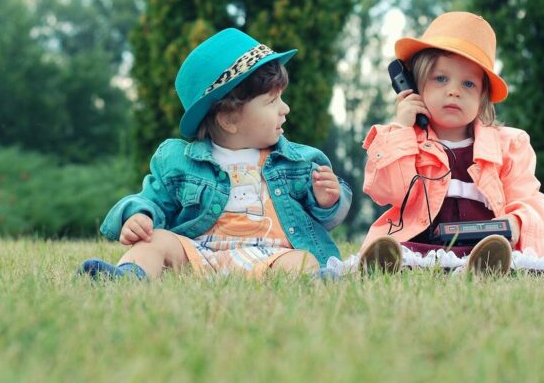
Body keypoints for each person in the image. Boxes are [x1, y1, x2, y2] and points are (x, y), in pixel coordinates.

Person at [79, 28, 351, 280]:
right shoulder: (180, 162)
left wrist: (326, 202)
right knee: (155, 241)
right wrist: (139, 216)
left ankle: (316, 281)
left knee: (302, 260)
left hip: (271, 257)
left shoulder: (297, 162)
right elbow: (152, 199)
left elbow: (325, 220)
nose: (285, 108)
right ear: (229, 119)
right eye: (271, 101)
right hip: (199, 254)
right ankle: (129, 275)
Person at [358, 11, 544, 275]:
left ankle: (482, 268)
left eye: (468, 83)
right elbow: (388, 191)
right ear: (414, 87)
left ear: (482, 97)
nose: (454, 90)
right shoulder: (404, 140)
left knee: (513, 258)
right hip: (423, 244)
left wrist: (515, 222)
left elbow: (529, 198)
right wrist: (401, 130)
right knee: (405, 255)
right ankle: (389, 265)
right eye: (441, 78)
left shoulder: (508, 145)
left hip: (487, 246)